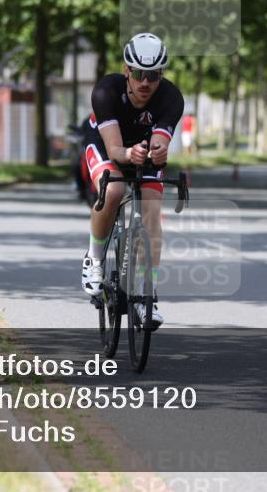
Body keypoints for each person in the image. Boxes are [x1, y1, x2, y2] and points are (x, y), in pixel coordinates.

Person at [80, 33, 184, 329]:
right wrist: (128, 153)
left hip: (143, 150)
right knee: (114, 190)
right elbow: (114, 150)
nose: (145, 82)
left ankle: (147, 294)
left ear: (161, 75)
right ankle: (95, 259)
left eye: (153, 75)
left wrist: (159, 152)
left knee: (152, 215)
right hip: (106, 144)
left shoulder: (171, 97)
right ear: (127, 70)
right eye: (138, 73)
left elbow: (161, 140)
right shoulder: (105, 91)